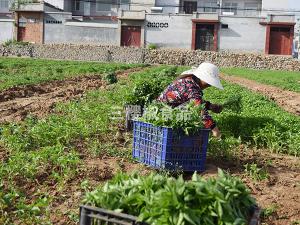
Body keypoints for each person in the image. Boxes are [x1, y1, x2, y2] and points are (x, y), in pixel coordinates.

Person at [157, 62, 223, 138]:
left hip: (164, 111)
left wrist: (210, 106)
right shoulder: (191, 87)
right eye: (208, 82)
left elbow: (192, 100)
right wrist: (215, 130)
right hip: (164, 114)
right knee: (196, 114)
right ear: (202, 77)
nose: (209, 85)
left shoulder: (189, 81)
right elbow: (200, 110)